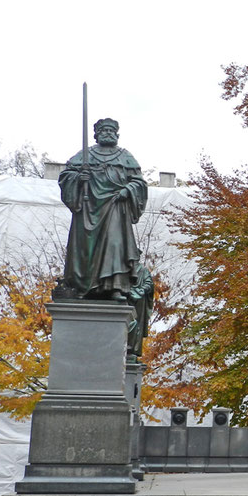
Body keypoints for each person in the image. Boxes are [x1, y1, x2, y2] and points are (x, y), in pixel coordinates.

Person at [57, 118, 148, 301]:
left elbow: (139, 183)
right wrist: (78, 178)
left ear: (117, 134)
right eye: (103, 130)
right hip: (89, 209)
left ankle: (115, 287)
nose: (107, 133)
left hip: (115, 207)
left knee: (115, 246)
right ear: (96, 134)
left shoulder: (125, 156)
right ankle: (83, 288)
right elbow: (66, 176)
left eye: (110, 130)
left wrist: (127, 190)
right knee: (84, 249)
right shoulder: (84, 155)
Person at [126, 265, 154, 362]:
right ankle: (125, 347)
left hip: (139, 301)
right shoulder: (123, 267)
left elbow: (149, 283)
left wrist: (141, 290)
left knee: (137, 324)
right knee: (128, 322)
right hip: (126, 298)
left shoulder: (143, 269)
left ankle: (132, 349)